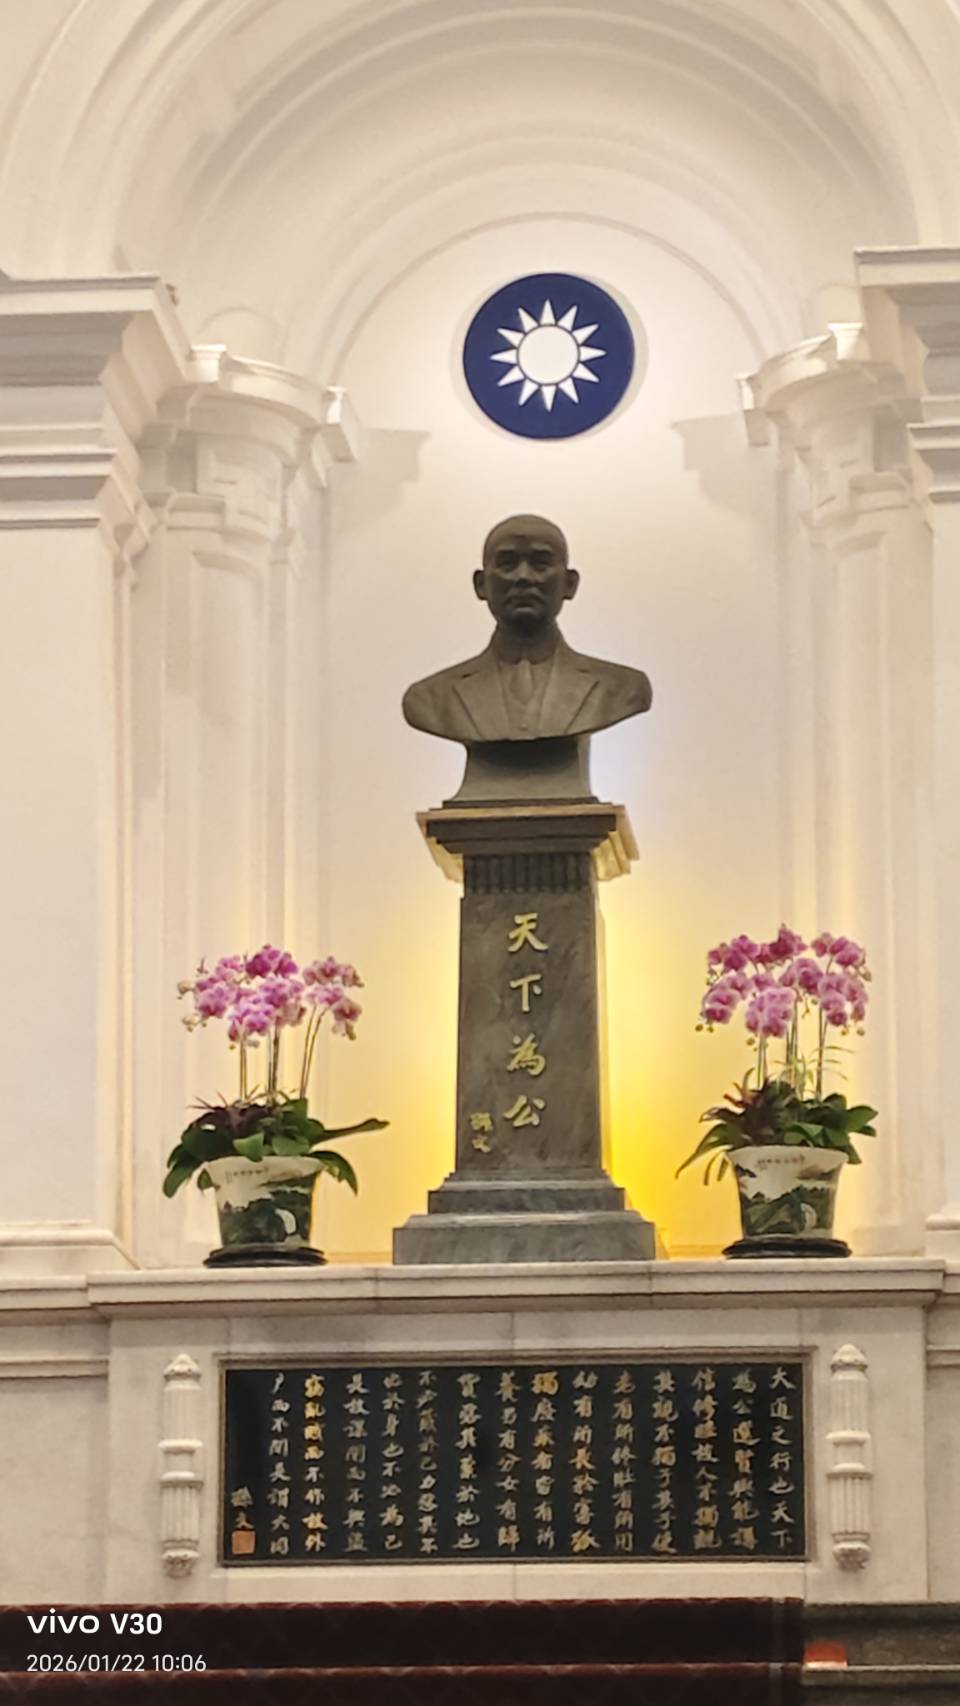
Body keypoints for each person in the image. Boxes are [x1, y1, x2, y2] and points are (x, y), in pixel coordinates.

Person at [402, 514, 652, 750]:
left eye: (540, 564)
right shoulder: (431, 697)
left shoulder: (621, 688)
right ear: (481, 584)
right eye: (507, 564)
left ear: (570, 584)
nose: (523, 577)